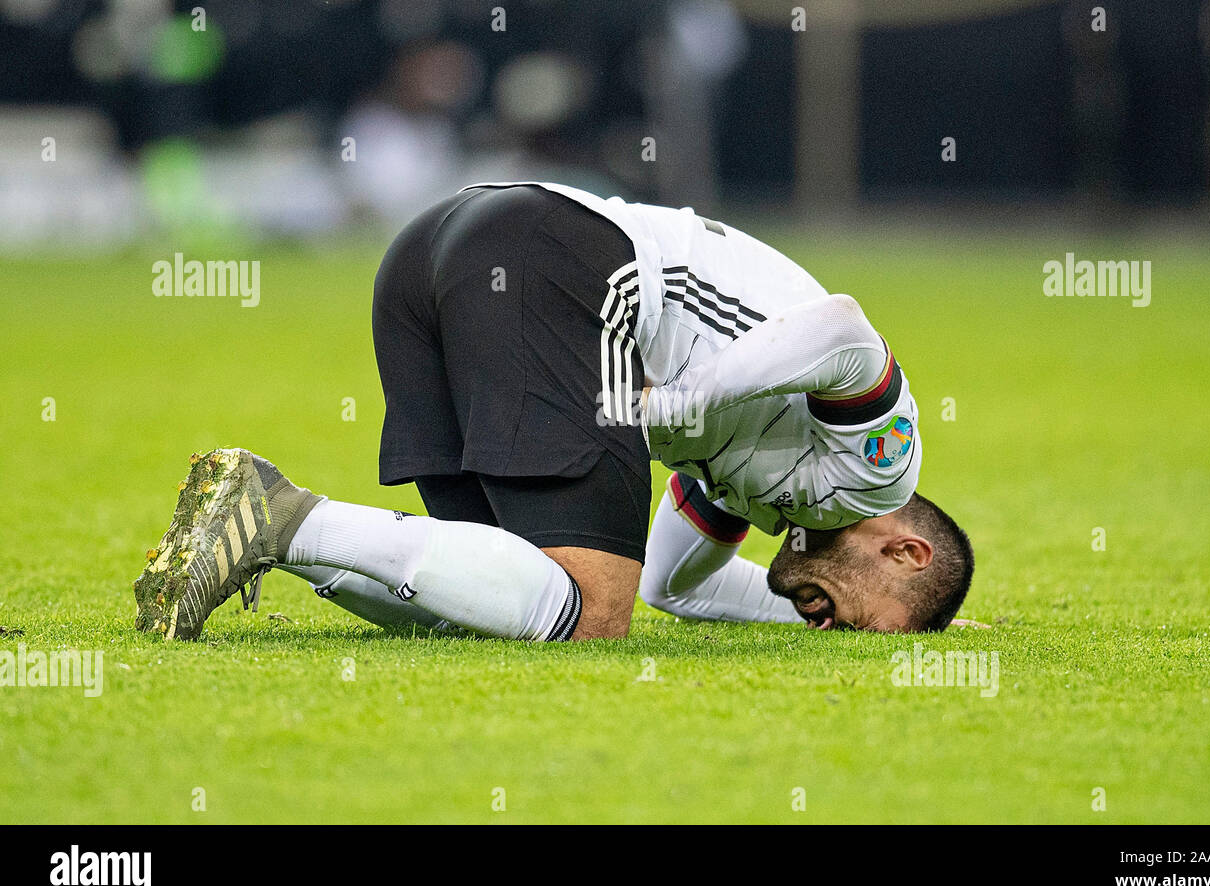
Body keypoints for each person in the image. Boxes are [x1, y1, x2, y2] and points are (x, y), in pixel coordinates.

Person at [133, 182, 973, 642]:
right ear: (904, 549)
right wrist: (676, 402)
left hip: (440, 250)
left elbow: (677, 585)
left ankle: (270, 533)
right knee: (591, 611)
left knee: (484, 595)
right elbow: (844, 328)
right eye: (868, 627)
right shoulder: (876, 470)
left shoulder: (777, 495)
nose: (842, 631)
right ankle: (279, 515)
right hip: (560, 266)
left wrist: (807, 617)